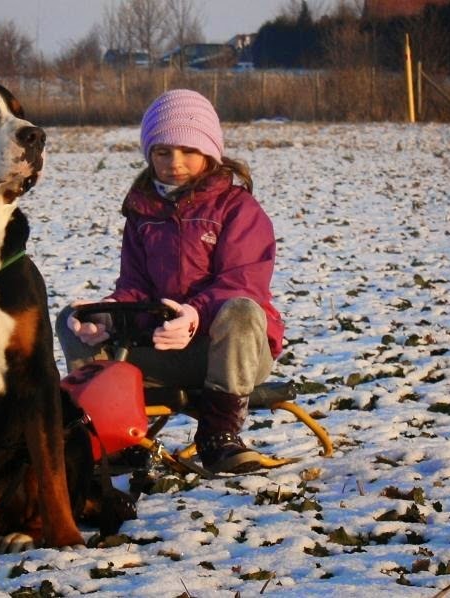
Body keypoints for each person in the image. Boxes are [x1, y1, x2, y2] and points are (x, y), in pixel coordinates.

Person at [56, 89, 284, 474]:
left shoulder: (238, 208)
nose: (174, 162)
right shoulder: (142, 213)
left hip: (230, 351)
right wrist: (106, 317)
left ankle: (219, 435)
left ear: (209, 153)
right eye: (162, 152)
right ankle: (101, 436)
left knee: (243, 309)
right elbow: (135, 286)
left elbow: (244, 282)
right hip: (162, 348)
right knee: (71, 318)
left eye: (187, 151)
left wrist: (194, 316)